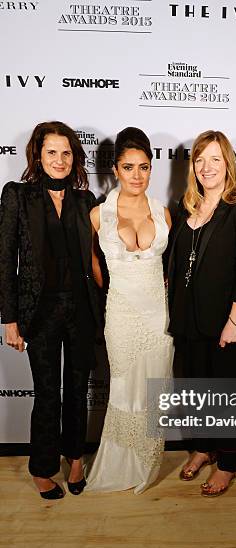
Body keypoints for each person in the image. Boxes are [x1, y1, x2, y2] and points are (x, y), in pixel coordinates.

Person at [0, 121, 100, 499]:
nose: (59, 160)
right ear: (37, 156)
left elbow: (97, 261)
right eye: (51, 152)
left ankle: (75, 458)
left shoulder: (86, 201)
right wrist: (9, 319)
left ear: (75, 158)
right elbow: (5, 259)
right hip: (38, 312)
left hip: (80, 309)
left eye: (66, 153)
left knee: (77, 389)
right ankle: (42, 467)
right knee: (47, 393)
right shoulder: (18, 196)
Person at [168, 130, 236, 496]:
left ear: (228, 164)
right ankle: (204, 449)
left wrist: (235, 321)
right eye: (200, 159)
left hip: (226, 322)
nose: (207, 167)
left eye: (215, 159)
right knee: (195, 390)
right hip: (188, 319)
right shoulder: (185, 207)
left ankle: (229, 463)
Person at [85, 127, 173, 493]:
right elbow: (94, 266)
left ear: (151, 168)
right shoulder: (98, 215)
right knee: (123, 389)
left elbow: (171, 267)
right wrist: (121, 294)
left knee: (153, 390)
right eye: (128, 167)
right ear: (115, 170)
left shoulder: (164, 213)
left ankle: (146, 462)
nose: (137, 176)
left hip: (156, 315)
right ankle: (119, 464)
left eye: (144, 167)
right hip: (120, 314)